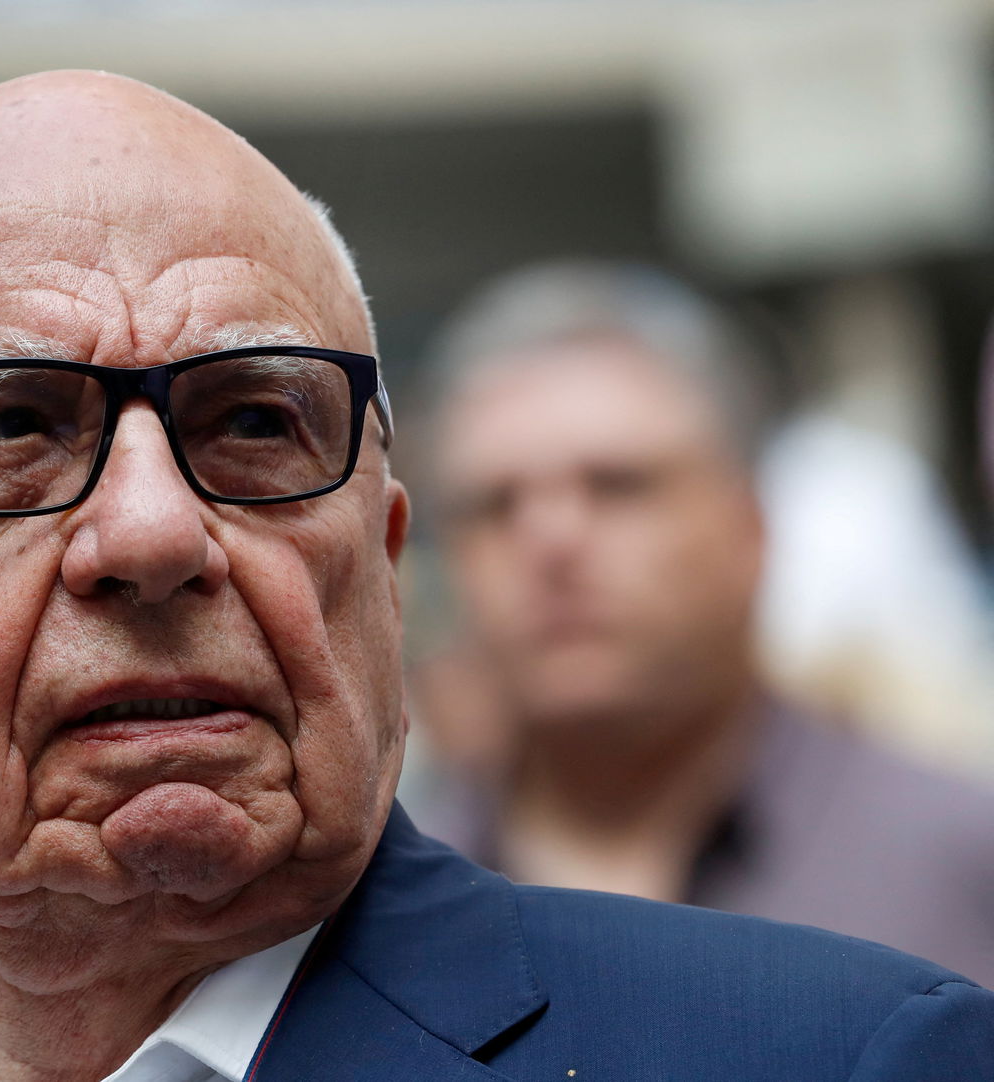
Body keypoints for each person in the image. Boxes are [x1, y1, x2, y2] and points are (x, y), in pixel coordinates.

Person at [0, 72, 994, 1081]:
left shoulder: (836, 1054)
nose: (159, 532)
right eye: (8, 430)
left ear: (382, 565)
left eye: (254, 426)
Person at [415, 260, 994, 987]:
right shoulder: (375, 905)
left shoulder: (959, 866)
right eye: (494, 505)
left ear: (750, 527)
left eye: (618, 486)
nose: (550, 541)